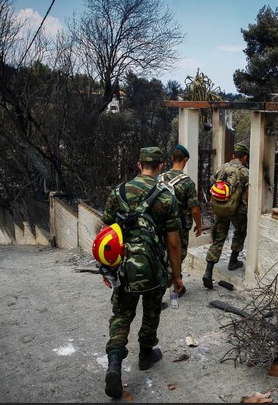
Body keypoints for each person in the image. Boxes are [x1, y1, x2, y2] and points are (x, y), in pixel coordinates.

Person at [100, 146, 183, 399]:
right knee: (151, 311)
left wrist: (106, 266)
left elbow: (106, 233)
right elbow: (173, 242)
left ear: (139, 165)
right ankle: (146, 354)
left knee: (122, 314)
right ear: (160, 167)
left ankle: (114, 362)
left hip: (124, 266)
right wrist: (176, 275)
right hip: (153, 267)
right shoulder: (166, 197)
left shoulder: (119, 192)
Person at [203, 143, 250, 289]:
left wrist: (211, 204)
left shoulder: (221, 168)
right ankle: (233, 261)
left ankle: (208, 271)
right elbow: (248, 194)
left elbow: (210, 186)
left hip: (220, 208)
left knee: (218, 237)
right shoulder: (245, 172)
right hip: (237, 210)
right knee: (240, 232)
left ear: (232, 156)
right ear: (245, 157)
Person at [161, 144, 203, 297]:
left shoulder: (160, 178)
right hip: (180, 227)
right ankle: (159, 287)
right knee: (178, 255)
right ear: (186, 160)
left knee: (163, 254)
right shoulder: (187, 183)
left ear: (172, 158)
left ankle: (178, 285)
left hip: (160, 225)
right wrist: (199, 225)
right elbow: (195, 209)